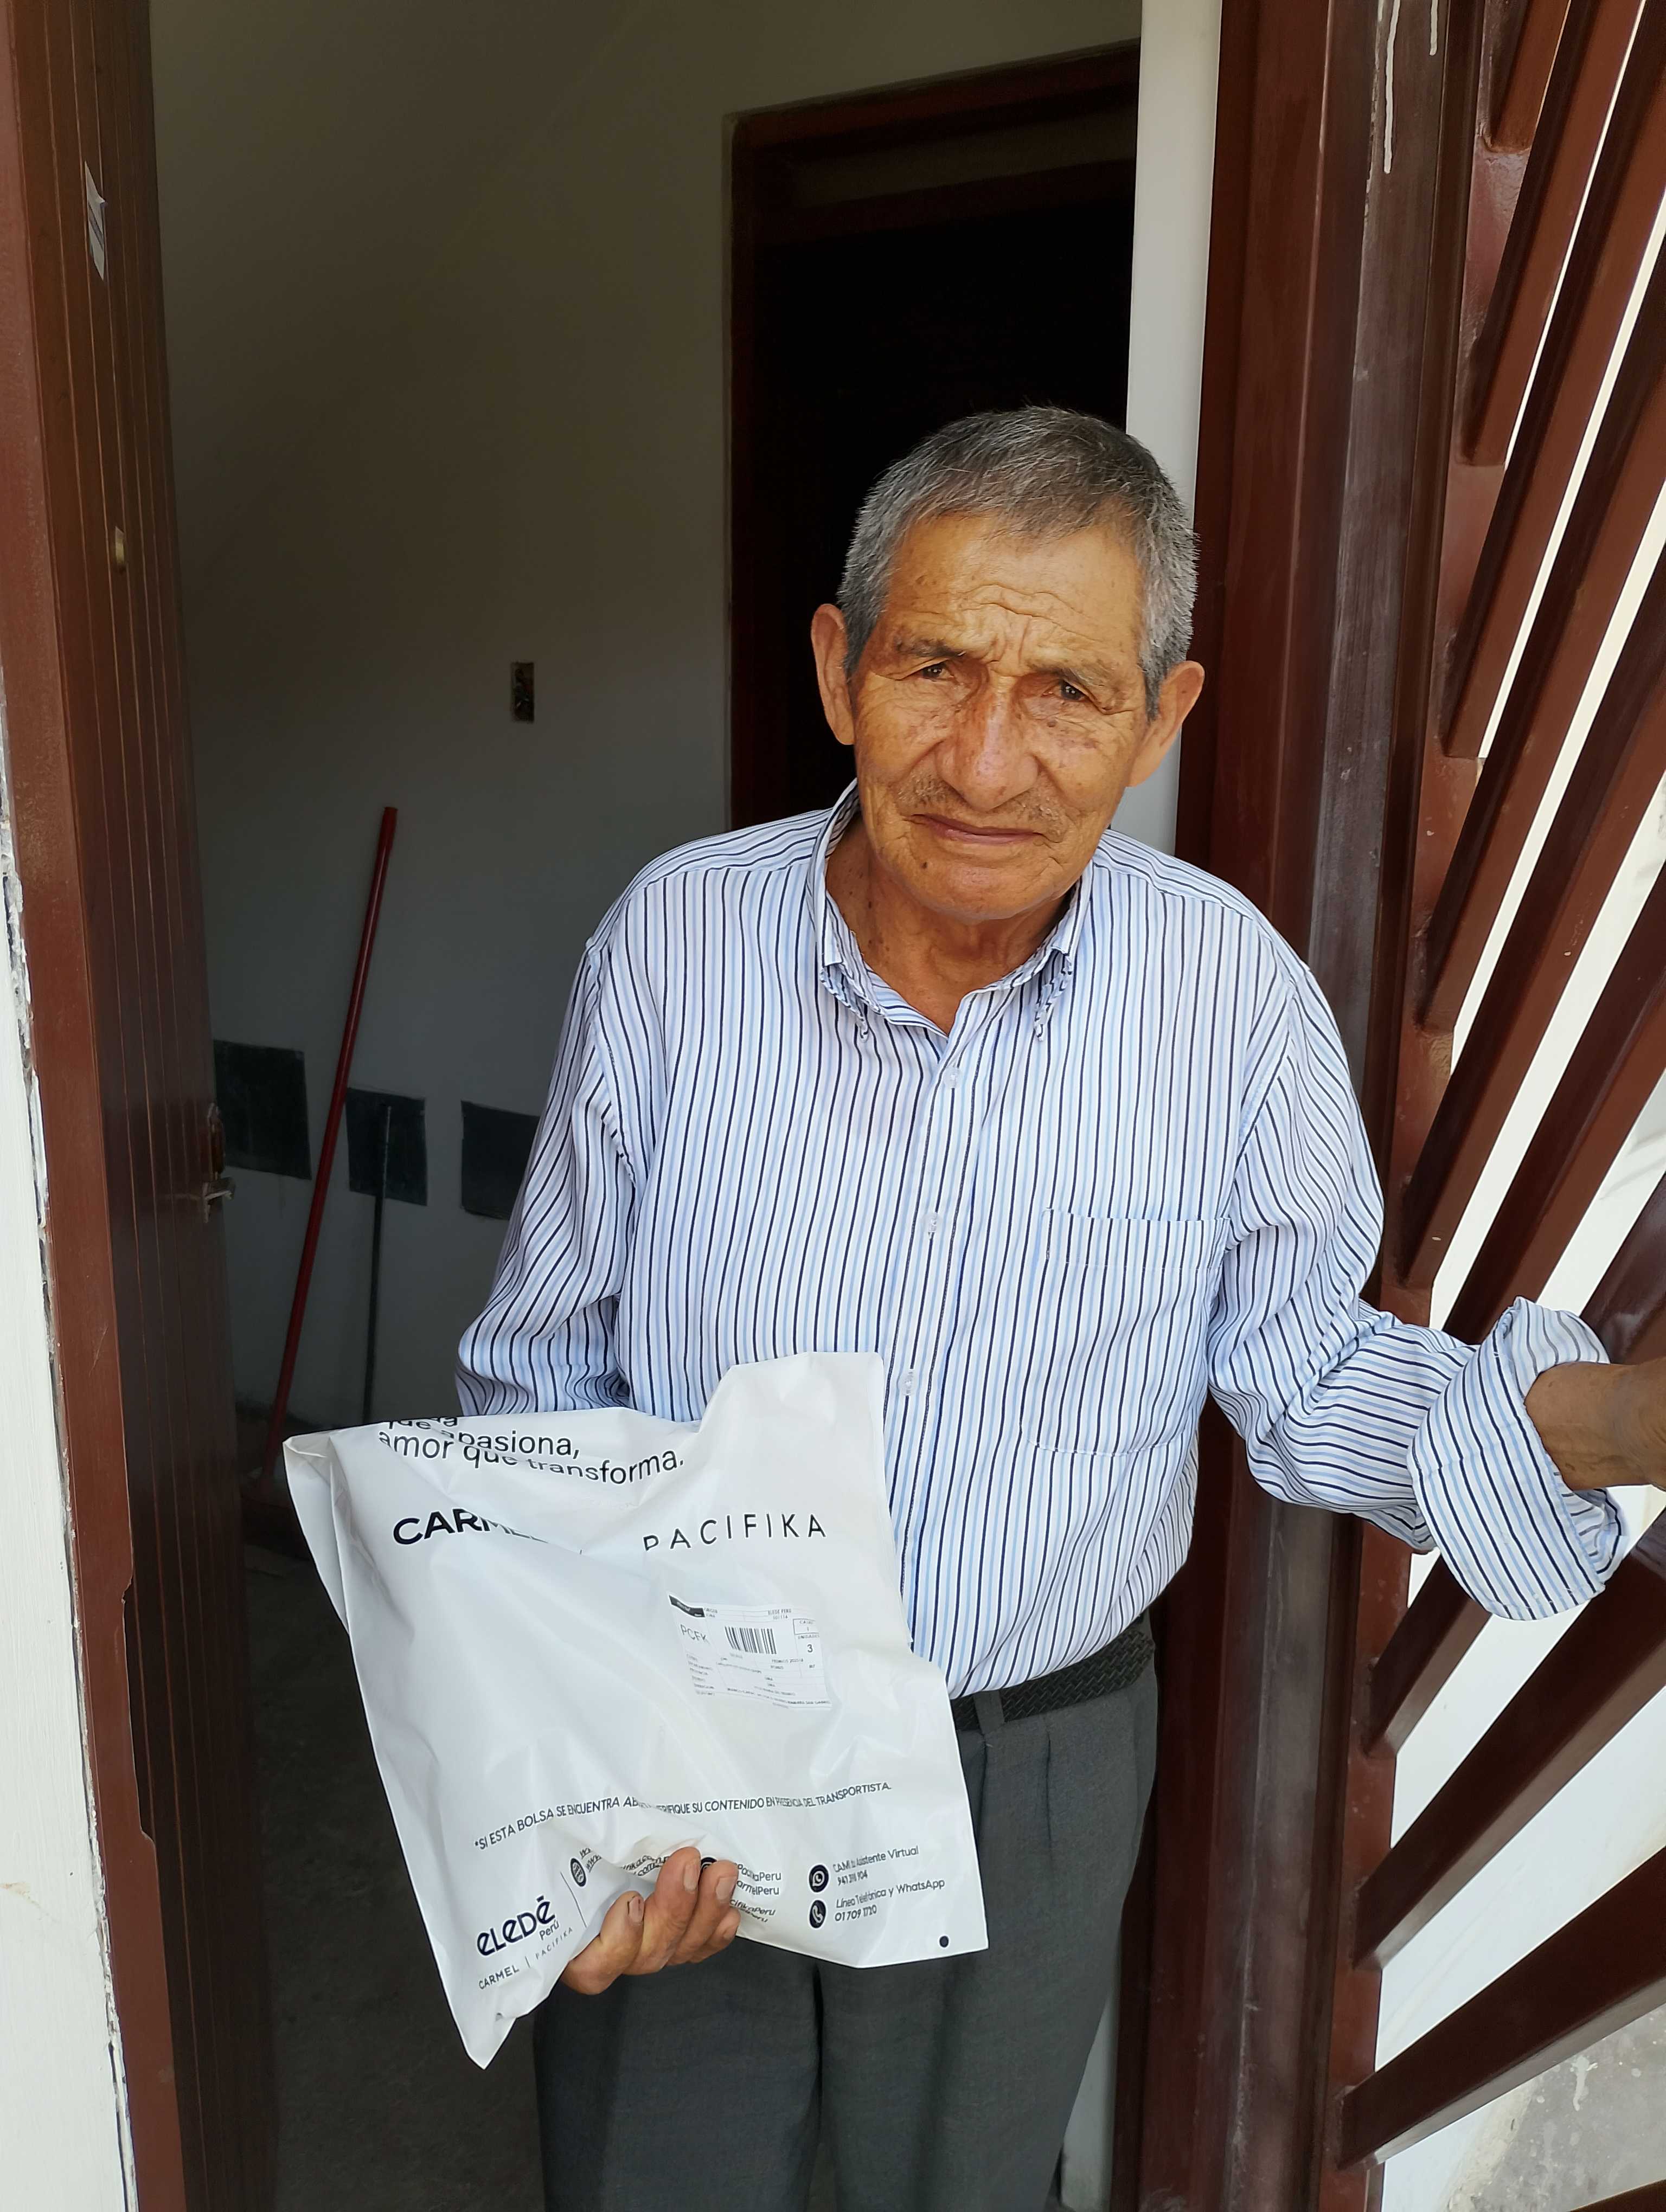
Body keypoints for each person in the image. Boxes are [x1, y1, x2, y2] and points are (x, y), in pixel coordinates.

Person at [457, 407, 1664, 2212]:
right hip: (681, 1721)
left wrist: (1619, 1422)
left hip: (1029, 1767)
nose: (986, 760)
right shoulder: (672, 943)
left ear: (1163, 717)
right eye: (934, 666)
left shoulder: (1230, 999)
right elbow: (540, 1377)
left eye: (1069, 693)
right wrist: (568, 1784)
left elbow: (1305, 1364)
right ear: (839, 669)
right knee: (653, 2176)